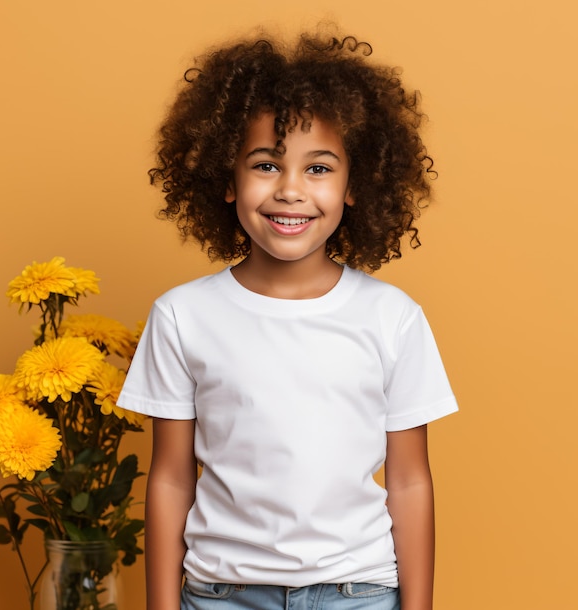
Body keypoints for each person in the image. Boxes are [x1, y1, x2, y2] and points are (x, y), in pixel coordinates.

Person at [117, 31, 458, 610]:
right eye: (266, 165)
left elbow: (408, 480)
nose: (291, 190)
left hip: (359, 593)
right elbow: (172, 478)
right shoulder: (182, 316)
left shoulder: (392, 318)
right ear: (227, 181)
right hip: (223, 594)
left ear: (356, 186)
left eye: (319, 167)